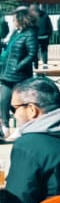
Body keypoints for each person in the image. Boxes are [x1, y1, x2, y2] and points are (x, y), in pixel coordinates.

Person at [0, 9, 39, 137]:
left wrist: (19, 66)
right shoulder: (17, 33)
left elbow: (32, 54)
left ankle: (21, 127)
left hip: (20, 75)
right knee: (3, 100)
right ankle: (5, 126)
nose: (13, 22)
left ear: (21, 19)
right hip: (7, 73)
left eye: (14, 19)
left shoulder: (30, 34)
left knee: (19, 103)